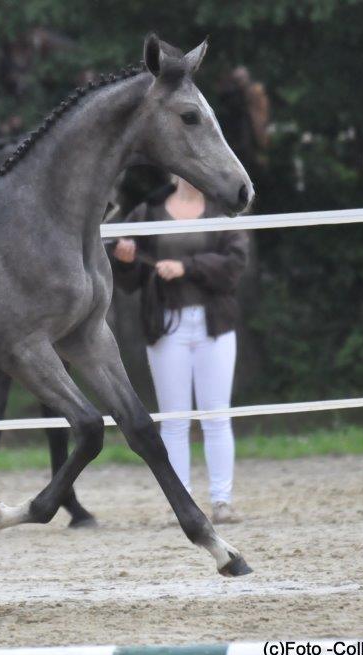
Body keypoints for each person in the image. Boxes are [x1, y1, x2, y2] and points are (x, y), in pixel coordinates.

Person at [106, 176, 249, 524]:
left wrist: (188, 267)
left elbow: (235, 264)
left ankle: (222, 501)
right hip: (166, 324)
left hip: (215, 325)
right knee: (174, 419)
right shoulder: (148, 211)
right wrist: (124, 260)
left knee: (217, 415)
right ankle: (180, 502)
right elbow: (128, 279)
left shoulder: (221, 210)